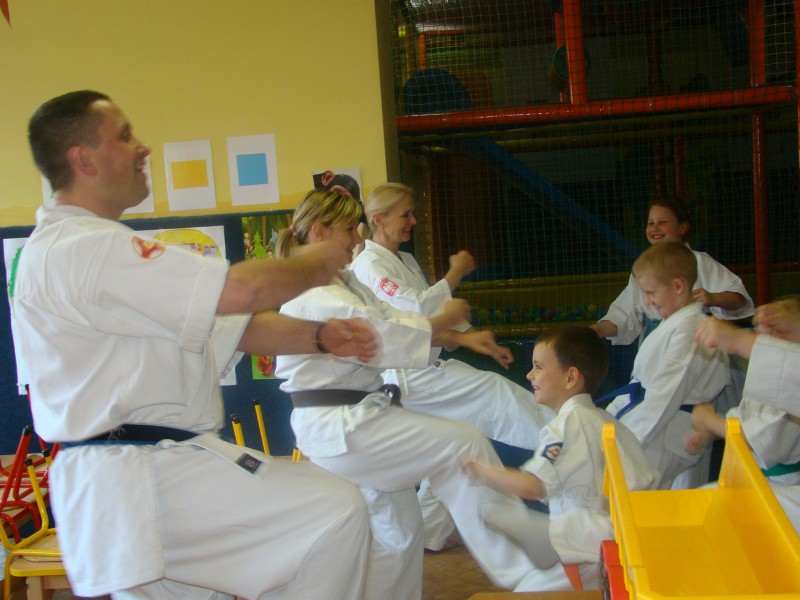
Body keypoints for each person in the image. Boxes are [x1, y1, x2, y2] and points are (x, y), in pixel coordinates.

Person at [13, 90, 378, 600]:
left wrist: (316, 337)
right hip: (141, 471)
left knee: (328, 514)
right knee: (334, 512)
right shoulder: (83, 247)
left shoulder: (87, 249)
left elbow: (229, 323)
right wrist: (319, 261)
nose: (142, 147)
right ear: (84, 159)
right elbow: (240, 291)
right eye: (124, 136)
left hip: (138, 478)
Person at [273, 189, 538, 600]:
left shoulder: (344, 283)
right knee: (463, 445)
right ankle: (523, 570)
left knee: (399, 532)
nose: (356, 240)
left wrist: (451, 332)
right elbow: (382, 336)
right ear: (319, 232)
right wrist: (442, 318)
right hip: (342, 426)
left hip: (354, 420)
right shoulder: (316, 294)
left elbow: (393, 319)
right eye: (348, 230)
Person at [350, 182, 554, 551]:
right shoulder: (369, 263)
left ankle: (428, 530)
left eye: (413, 213)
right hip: (405, 377)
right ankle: (564, 441)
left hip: (424, 367)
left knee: (455, 448)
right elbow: (417, 310)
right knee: (495, 393)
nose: (413, 221)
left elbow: (432, 319)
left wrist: (472, 338)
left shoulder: (404, 260)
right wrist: (455, 273)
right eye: (405, 214)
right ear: (379, 219)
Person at [464, 327, 657, 591]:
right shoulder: (608, 422)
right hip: (627, 540)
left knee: (526, 593)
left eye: (538, 367)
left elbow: (534, 486)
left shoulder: (566, 425)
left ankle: (547, 534)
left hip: (588, 549)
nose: (529, 375)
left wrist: (480, 469)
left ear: (570, 377)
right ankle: (547, 533)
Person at [604, 241, 730, 489]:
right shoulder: (675, 324)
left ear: (678, 286)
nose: (648, 302)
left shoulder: (690, 327)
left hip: (665, 429)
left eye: (651, 293)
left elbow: (667, 391)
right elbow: (638, 386)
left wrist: (630, 440)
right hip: (660, 426)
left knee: (633, 496)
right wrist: (607, 422)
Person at [687, 297, 800, 533]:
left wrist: (710, 421)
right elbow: (742, 417)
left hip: (779, 481)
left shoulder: (787, 393)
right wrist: (709, 433)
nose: (770, 341)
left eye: (781, 336)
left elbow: (755, 438)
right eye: (766, 336)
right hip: (754, 476)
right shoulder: (771, 382)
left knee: (712, 512)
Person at [592, 196, 754, 345]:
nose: (655, 228)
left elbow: (739, 299)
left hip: (693, 340)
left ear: (682, 227)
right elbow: (623, 316)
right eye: (650, 223)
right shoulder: (644, 268)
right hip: (656, 343)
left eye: (662, 222)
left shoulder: (699, 261)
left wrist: (713, 298)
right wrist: (596, 330)